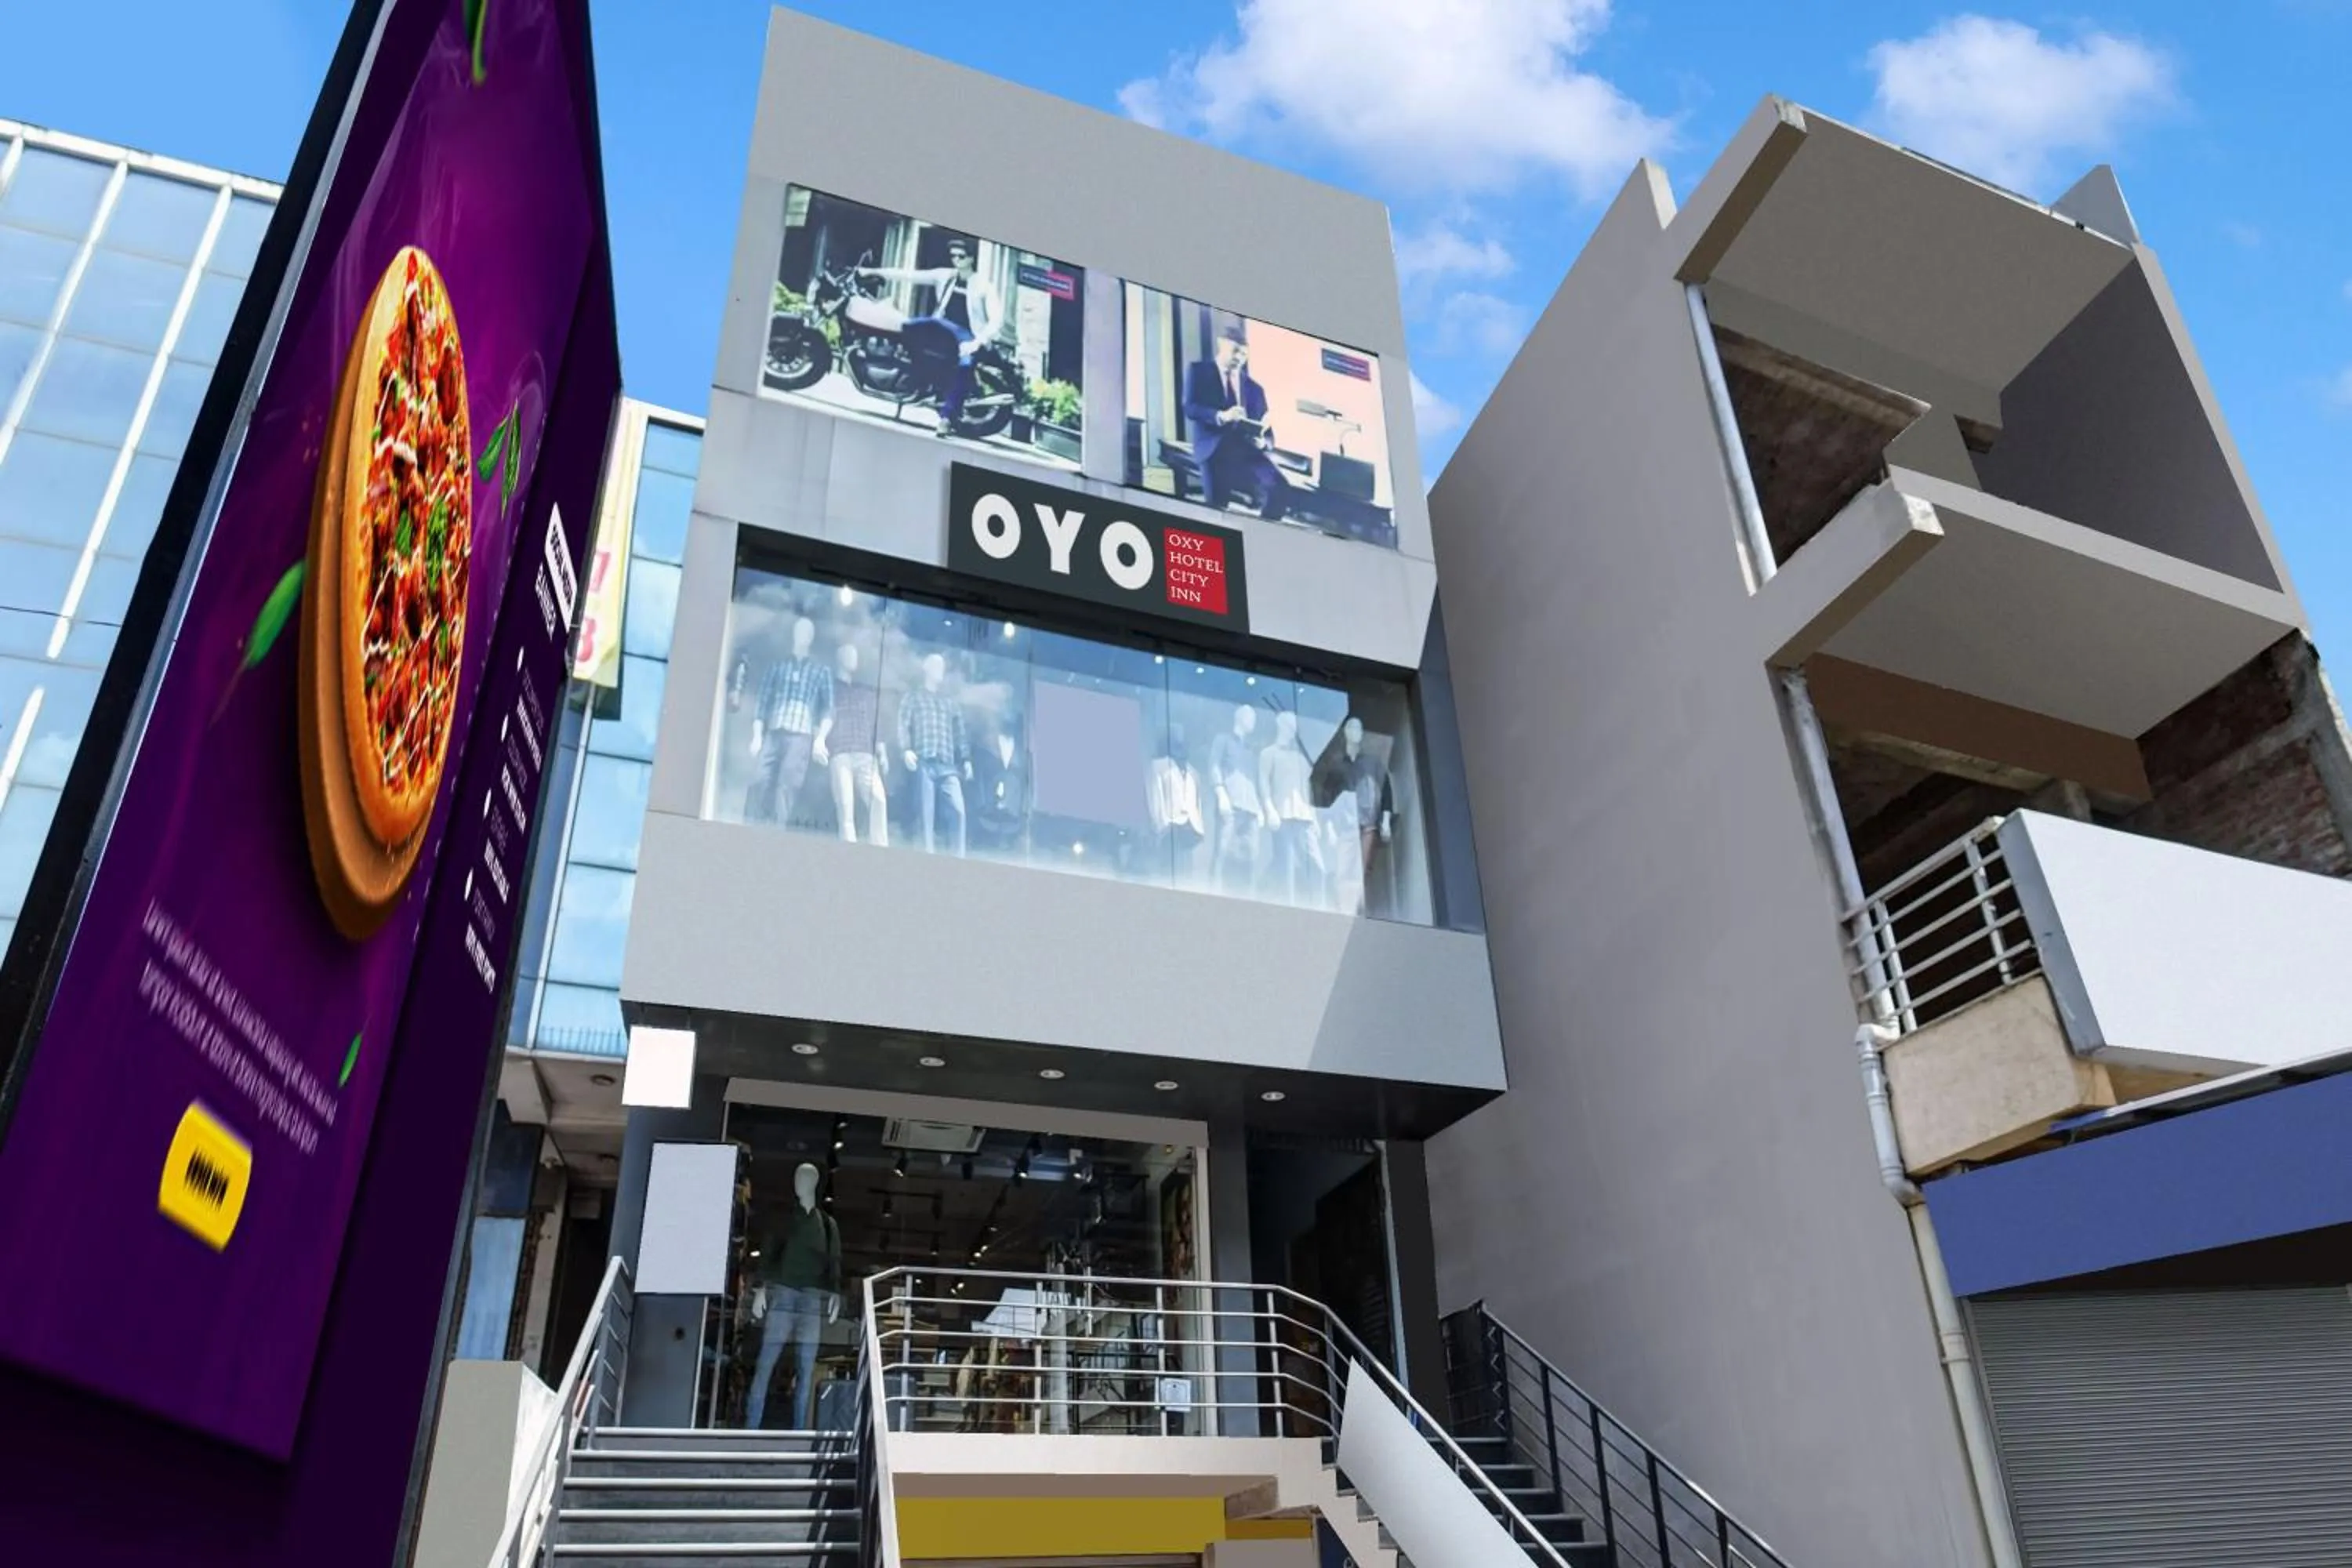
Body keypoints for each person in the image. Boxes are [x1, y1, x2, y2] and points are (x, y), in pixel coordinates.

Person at [859, 238, 1000, 435]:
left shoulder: (984, 286)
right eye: (953, 256)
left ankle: (946, 419)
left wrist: (978, 342)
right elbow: (909, 275)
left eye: (961, 256)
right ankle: (903, 379)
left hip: (967, 336)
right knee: (905, 326)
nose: (956, 260)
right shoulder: (944, 276)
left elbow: (996, 320)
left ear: (971, 259)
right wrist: (873, 271)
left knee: (965, 367)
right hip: (940, 329)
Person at [1181, 325, 1289, 521]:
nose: (1240, 357)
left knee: (1280, 487)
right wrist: (1221, 416)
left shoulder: (1255, 389)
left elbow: (1269, 433)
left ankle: (1263, 531)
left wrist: (1263, 442)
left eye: (1244, 354)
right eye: (1236, 351)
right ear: (1221, 345)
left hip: (1248, 451)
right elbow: (1190, 408)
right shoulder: (1199, 371)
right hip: (1214, 450)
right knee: (1217, 508)